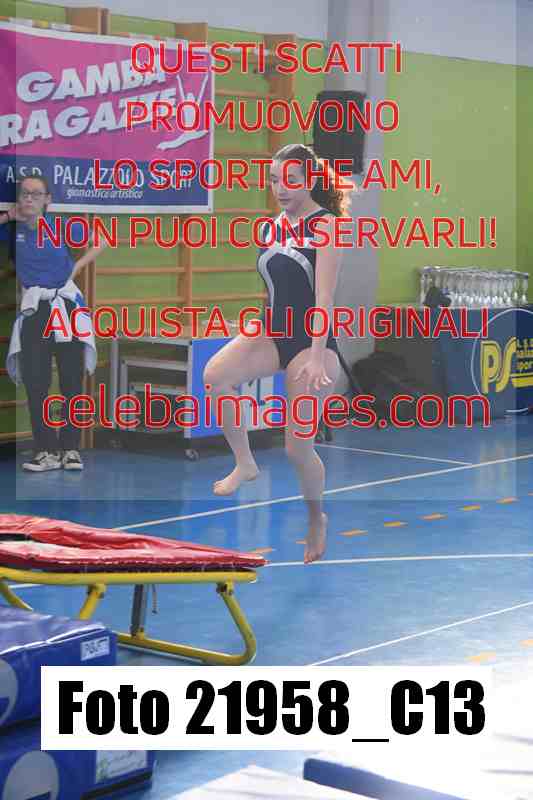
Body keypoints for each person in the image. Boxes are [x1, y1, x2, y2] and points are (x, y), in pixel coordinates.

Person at [203, 143, 354, 564]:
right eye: (274, 181)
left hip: (312, 341)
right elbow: (275, 288)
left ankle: (316, 518)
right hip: (273, 332)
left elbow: (324, 298)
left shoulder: (327, 226)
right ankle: (244, 463)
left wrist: (317, 355)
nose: (281, 189)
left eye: (290, 181)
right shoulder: (272, 226)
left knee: (297, 448)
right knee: (216, 377)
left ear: (310, 180)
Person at [1, 174, 106, 472]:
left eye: (36, 193)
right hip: (35, 310)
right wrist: (8, 216)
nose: (29, 198)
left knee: (72, 380)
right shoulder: (13, 231)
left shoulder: (62, 226)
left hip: (66, 307)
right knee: (37, 382)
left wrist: (77, 268)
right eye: (24, 193)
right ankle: (45, 450)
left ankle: (70, 448)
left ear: (48, 199)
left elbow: (101, 240)